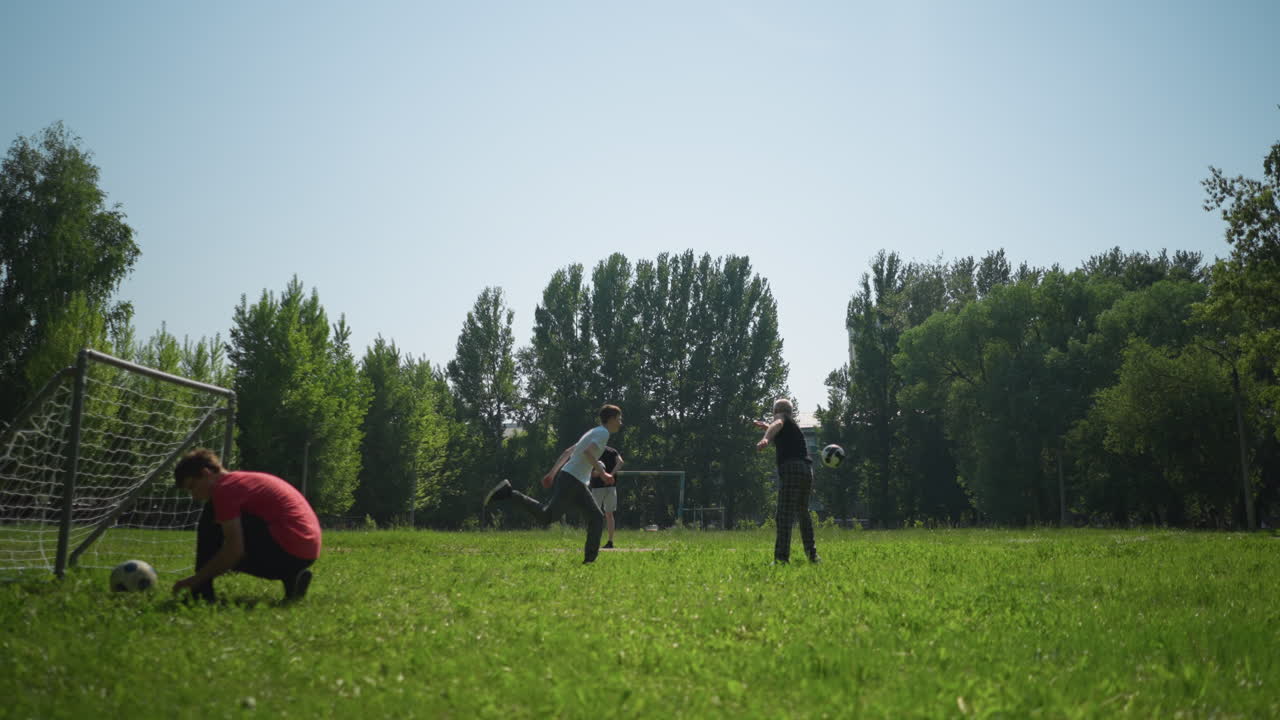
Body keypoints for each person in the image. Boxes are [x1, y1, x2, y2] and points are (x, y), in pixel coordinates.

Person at [171, 448, 322, 602]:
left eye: (192, 487)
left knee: (212, 517)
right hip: (306, 553)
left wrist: (194, 580)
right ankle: (293, 580)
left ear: (206, 473)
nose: (194, 496)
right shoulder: (242, 480)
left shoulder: (225, 490)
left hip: (286, 551)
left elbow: (235, 551)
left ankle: (201, 593)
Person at [484, 404, 623, 563]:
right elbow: (588, 452)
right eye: (619, 419)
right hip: (573, 480)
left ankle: (589, 561)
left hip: (573, 479)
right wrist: (603, 472)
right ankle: (509, 493)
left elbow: (568, 452)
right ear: (611, 419)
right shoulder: (603, 433)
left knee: (596, 518)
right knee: (547, 517)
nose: (620, 423)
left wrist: (552, 473)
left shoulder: (593, 431)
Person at [754, 398, 820, 564]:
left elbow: (777, 425)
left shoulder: (780, 419)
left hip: (791, 469)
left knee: (784, 516)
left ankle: (781, 558)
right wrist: (767, 427)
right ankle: (812, 556)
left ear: (777, 411)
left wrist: (766, 438)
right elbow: (777, 428)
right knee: (803, 513)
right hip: (806, 470)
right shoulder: (793, 426)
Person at [588, 446, 623, 549]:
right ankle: (609, 541)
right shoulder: (613, 450)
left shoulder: (593, 452)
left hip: (599, 488)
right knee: (609, 514)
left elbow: (593, 474)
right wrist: (611, 475)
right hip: (610, 486)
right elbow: (620, 462)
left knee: (597, 515)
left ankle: (598, 541)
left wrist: (605, 475)